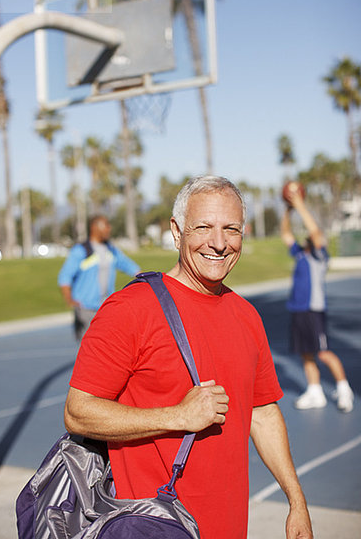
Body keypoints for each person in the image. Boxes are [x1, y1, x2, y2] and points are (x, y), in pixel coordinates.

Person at [64, 176, 313, 539]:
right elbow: (77, 412)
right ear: (177, 232)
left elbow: (262, 412)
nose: (219, 243)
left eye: (231, 229)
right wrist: (179, 416)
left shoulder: (246, 315)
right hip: (153, 525)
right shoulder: (130, 308)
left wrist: (296, 500)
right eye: (204, 227)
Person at [280, 184, 354, 412]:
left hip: (314, 309)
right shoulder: (301, 254)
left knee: (323, 352)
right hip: (298, 309)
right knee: (306, 353)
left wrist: (300, 205)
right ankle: (315, 392)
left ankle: (344, 389)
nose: (310, 238)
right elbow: (285, 234)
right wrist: (288, 210)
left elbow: (315, 231)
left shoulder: (320, 256)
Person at [58, 214, 140, 341]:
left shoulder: (110, 249)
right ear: (94, 227)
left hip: (106, 307)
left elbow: (129, 266)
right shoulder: (81, 250)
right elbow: (65, 277)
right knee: (90, 345)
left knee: (108, 345)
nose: (109, 229)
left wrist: (146, 279)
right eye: (105, 225)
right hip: (86, 308)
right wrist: (70, 300)